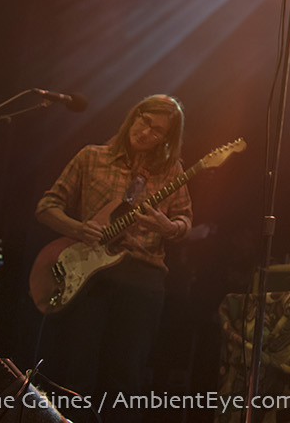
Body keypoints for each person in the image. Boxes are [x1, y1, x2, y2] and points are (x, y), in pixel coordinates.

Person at [35, 94, 192, 418]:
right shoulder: (92, 157)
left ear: (167, 138)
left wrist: (167, 226)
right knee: (76, 372)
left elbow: (185, 221)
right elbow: (46, 207)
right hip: (90, 276)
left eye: (158, 131)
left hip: (142, 279)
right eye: (145, 121)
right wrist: (78, 229)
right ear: (134, 116)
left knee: (125, 377)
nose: (146, 132)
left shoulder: (171, 171)